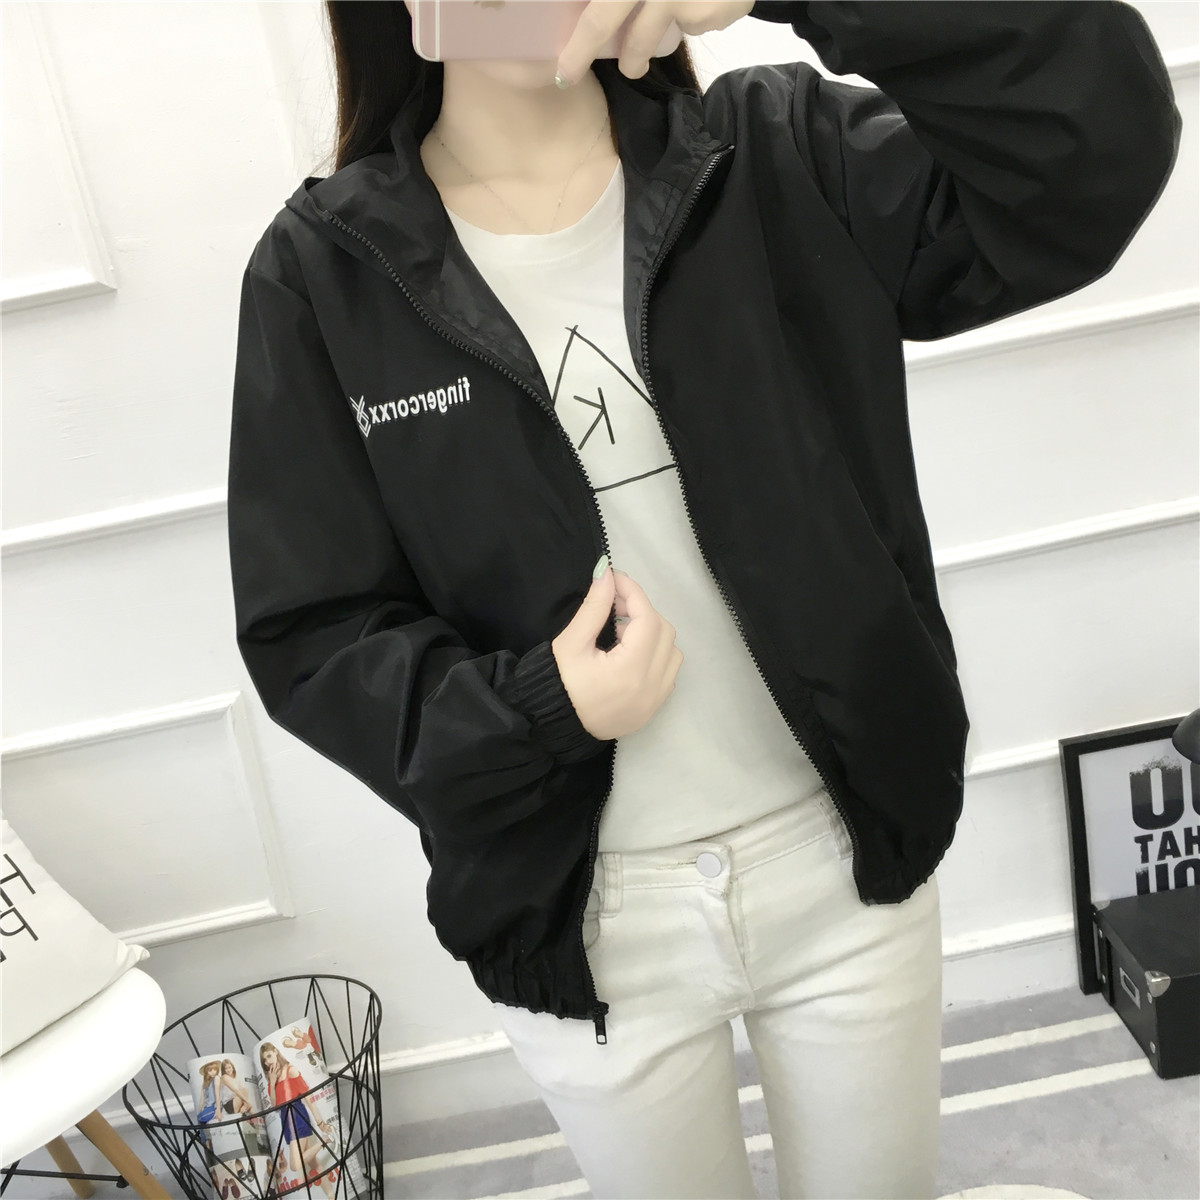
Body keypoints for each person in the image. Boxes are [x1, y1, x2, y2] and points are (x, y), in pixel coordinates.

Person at [226, 2, 1181, 1196]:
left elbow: (1087, 159)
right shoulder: (327, 272)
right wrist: (539, 707)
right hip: (581, 912)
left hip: (843, 860)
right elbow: (312, 630)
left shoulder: (771, 154)